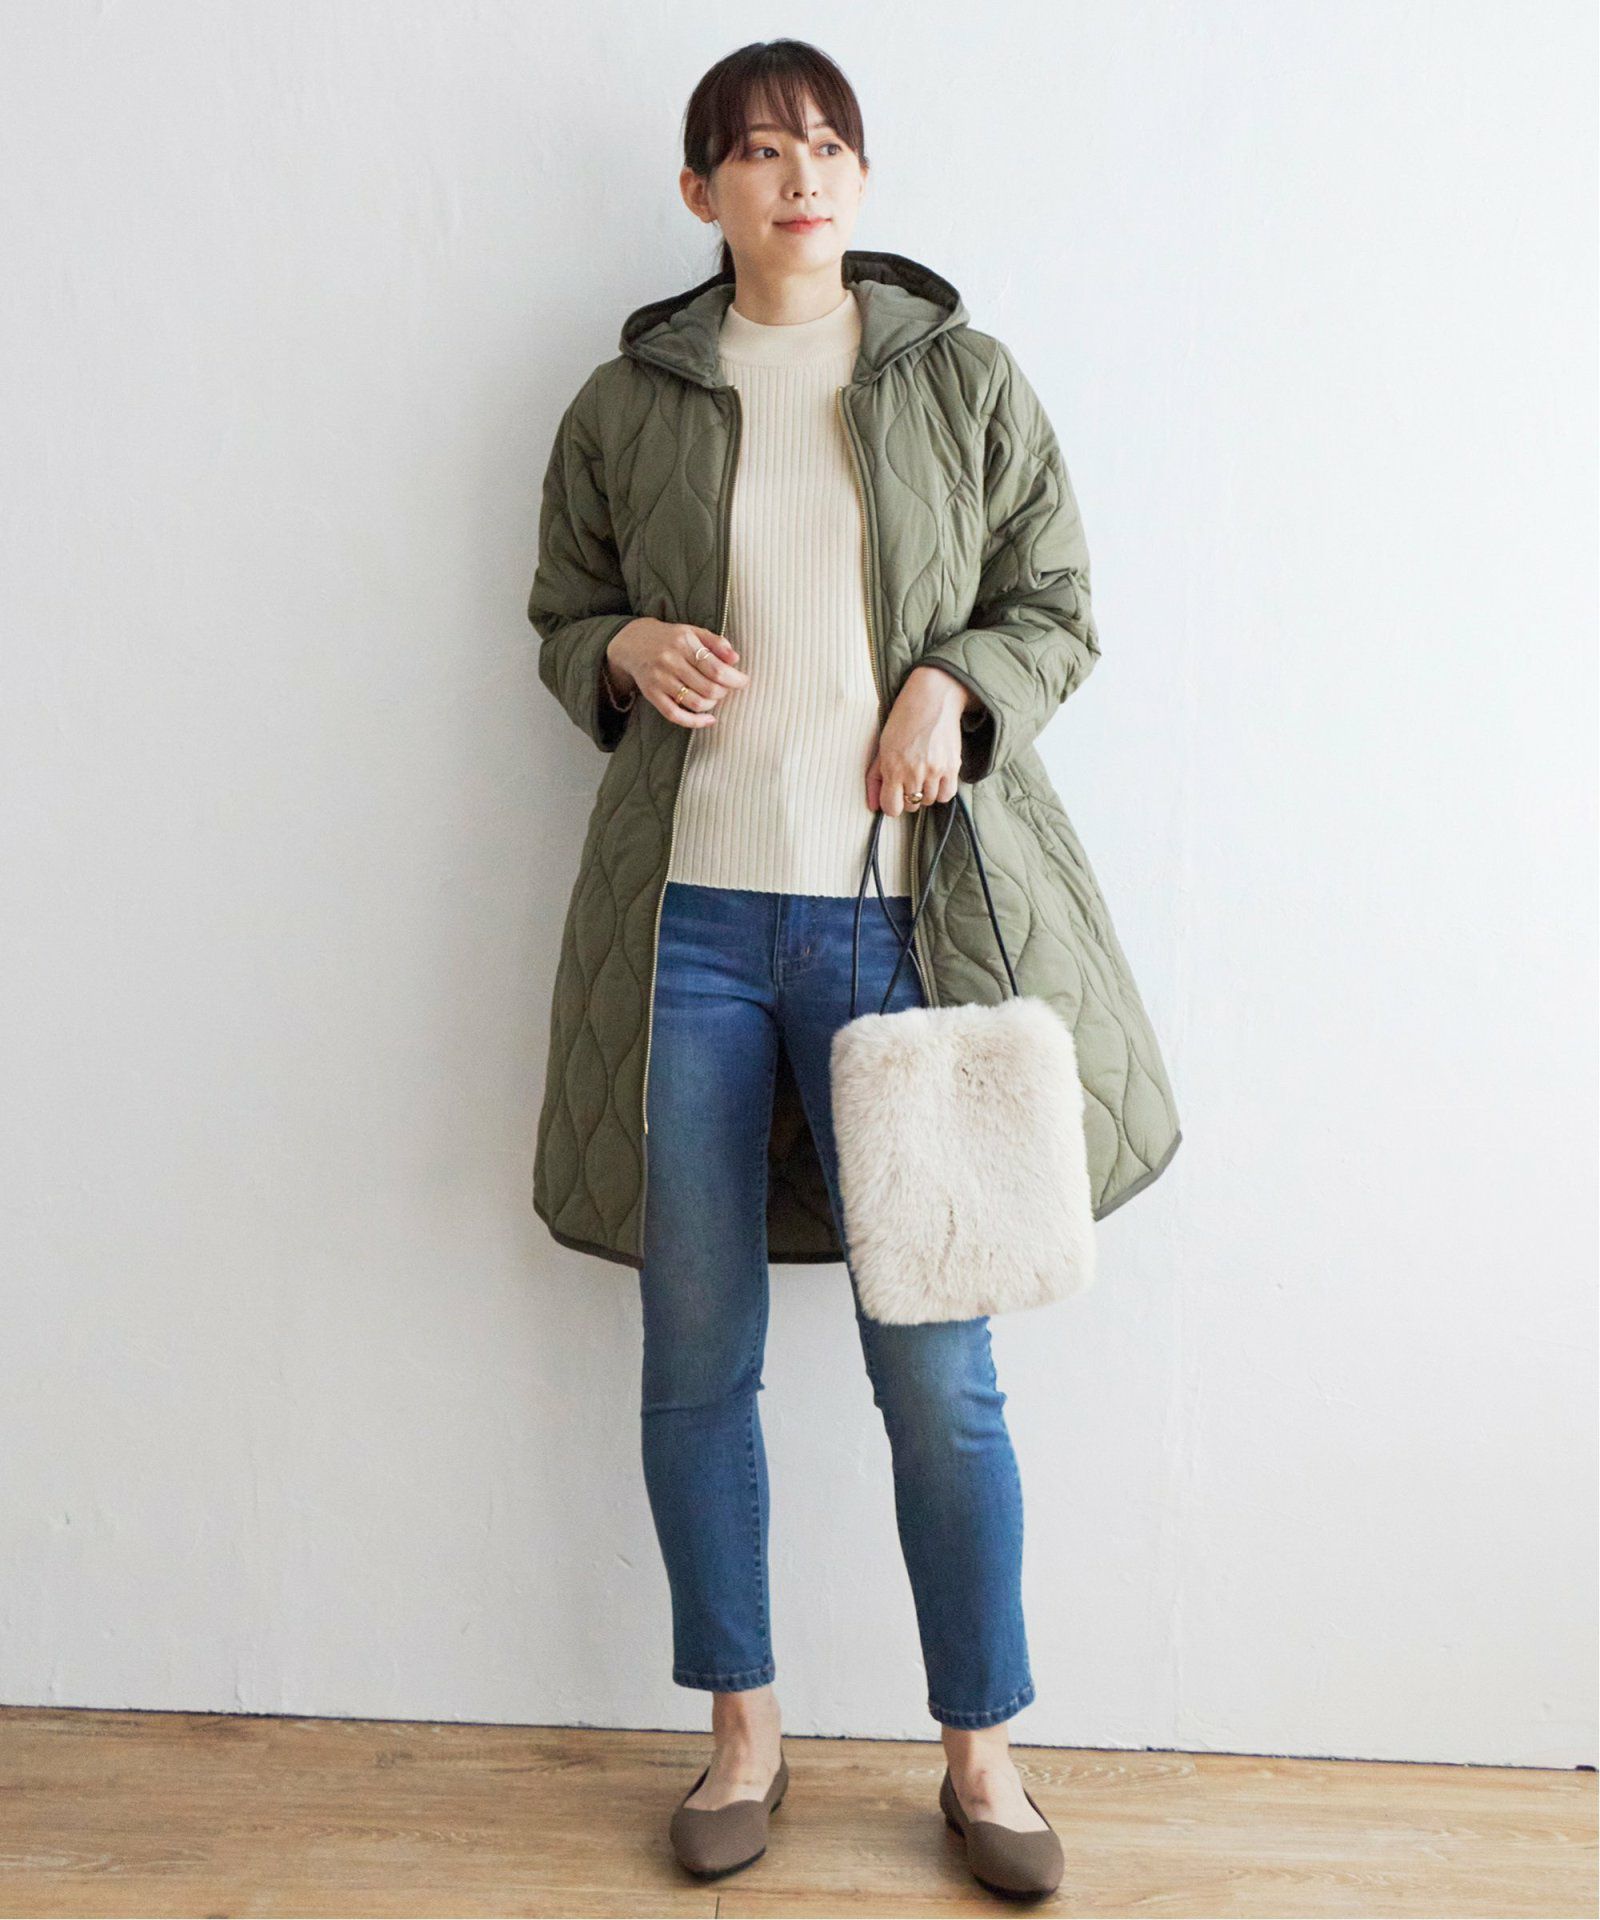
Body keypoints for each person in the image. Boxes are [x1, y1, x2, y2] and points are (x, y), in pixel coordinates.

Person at [527, 37, 1181, 1898]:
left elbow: (1057, 605)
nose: (798, 174)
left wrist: (951, 685)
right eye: (757, 150)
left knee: (939, 1374)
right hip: (689, 933)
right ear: (701, 192)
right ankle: (743, 1735)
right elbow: (561, 612)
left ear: (863, 177)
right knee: (694, 1359)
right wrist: (622, 647)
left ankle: (984, 1756)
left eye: (826, 144)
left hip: (906, 927)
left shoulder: (960, 379)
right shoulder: (627, 401)